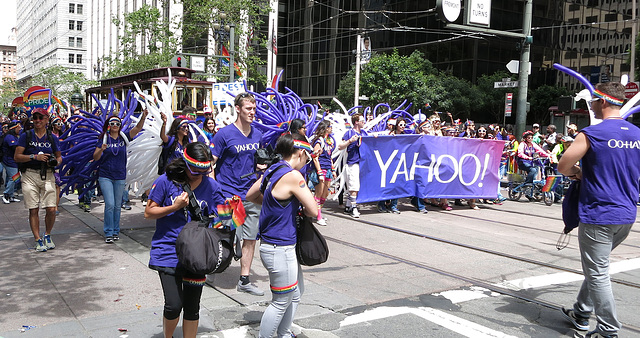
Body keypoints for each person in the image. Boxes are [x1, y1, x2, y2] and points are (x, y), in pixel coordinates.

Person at [558, 82, 640, 338]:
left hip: (599, 213)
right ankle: (581, 312)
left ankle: (608, 330)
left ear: (603, 102)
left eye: (593, 101)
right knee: (598, 268)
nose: (591, 105)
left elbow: (563, 166)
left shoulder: (592, 133)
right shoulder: (637, 134)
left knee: (598, 272)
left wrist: (579, 173)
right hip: (626, 215)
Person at [145, 142, 225, 338]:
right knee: (173, 305)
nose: (198, 174)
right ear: (185, 162)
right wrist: (175, 207)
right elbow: (149, 212)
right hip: (168, 251)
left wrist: (230, 215)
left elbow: (226, 216)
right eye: (195, 170)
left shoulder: (212, 186)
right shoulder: (166, 181)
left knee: (192, 306)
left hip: (197, 253)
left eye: (203, 170)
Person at [245, 133, 318, 338]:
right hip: (280, 248)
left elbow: (250, 195)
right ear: (301, 153)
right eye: (308, 157)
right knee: (280, 301)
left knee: (295, 293)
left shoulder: (272, 170)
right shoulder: (293, 176)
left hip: (276, 246)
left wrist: (273, 204)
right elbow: (313, 210)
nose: (307, 162)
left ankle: (284, 333)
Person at [211, 92, 265, 296]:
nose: (253, 112)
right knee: (226, 235)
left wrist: (261, 166)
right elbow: (211, 163)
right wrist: (215, 189)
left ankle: (244, 279)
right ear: (238, 109)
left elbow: (257, 160)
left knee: (250, 238)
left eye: (254, 108)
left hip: (251, 194)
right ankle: (211, 267)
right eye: (249, 108)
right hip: (229, 194)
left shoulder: (257, 135)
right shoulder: (224, 134)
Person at [93, 112, 147, 243]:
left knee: (117, 206)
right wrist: (101, 149)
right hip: (105, 175)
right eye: (112, 123)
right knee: (110, 204)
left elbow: (138, 129)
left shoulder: (124, 137)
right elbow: (95, 157)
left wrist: (143, 116)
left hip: (120, 176)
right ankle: (108, 232)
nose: (115, 125)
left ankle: (115, 231)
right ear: (108, 126)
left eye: (117, 123)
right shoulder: (104, 138)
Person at [14, 108, 62, 252]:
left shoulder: (52, 137)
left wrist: (55, 162)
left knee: (51, 209)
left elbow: (59, 157)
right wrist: (34, 157)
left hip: (47, 174)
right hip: (29, 174)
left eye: (41, 118)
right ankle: (37, 239)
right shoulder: (26, 135)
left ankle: (47, 234)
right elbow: (17, 156)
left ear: (47, 120)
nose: (38, 120)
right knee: (33, 209)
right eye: (35, 118)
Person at [339, 113, 367, 218]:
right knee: (353, 186)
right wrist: (350, 141)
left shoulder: (364, 132)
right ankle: (354, 208)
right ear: (356, 122)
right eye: (362, 120)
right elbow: (340, 146)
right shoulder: (349, 133)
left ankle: (348, 205)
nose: (364, 122)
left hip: (363, 163)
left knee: (358, 185)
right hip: (352, 162)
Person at [310, 120, 335, 225]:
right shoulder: (319, 141)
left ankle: (318, 212)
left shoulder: (328, 140)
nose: (331, 128)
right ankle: (318, 215)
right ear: (326, 128)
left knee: (325, 193)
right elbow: (315, 157)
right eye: (330, 126)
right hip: (321, 169)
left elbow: (330, 156)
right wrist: (319, 172)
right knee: (318, 193)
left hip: (328, 168)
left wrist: (333, 169)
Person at [517, 130, 550, 200]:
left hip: (531, 162)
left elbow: (540, 151)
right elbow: (520, 153)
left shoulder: (533, 144)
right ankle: (527, 184)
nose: (530, 139)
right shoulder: (522, 144)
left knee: (536, 172)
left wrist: (548, 155)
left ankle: (531, 192)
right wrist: (528, 157)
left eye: (531, 137)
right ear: (525, 138)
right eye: (528, 138)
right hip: (523, 162)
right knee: (533, 170)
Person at [2, 121, 21, 203]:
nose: (20, 129)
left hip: (12, 160)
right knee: (13, 178)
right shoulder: (10, 137)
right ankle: (6, 194)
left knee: (16, 178)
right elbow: (15, 147)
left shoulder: (15, 136)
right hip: (9, 160)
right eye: (18, 127)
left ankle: (11, 196)